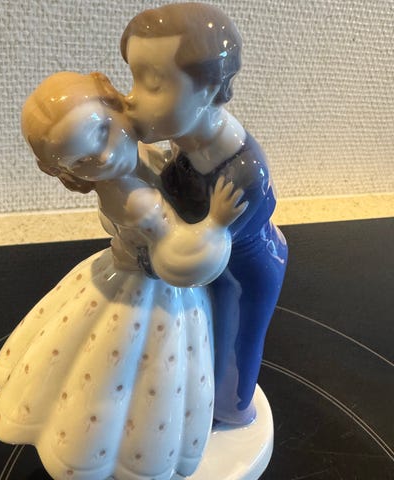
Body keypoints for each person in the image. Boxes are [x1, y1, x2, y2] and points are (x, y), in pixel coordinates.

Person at [0, 71, 247, 480]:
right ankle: (132, 451)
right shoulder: (132, 201)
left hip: (127, 272)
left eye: (102, 131)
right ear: (69, 172)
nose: (105, 157)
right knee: (139, 376)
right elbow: (176, 252)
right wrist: (215, 223)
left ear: (114, 101)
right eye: (82, 162)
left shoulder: (139, 151)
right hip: (153, 288)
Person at [121, 2, 288, 426]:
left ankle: (231, 411)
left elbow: (198, 251)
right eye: (133, 78)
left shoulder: (242, 173)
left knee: (231, 347)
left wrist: (148, 242)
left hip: (241, 274)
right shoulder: (185, 137)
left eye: (152, 83)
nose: (132, 98)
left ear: (210, 89)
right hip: (209, 264)